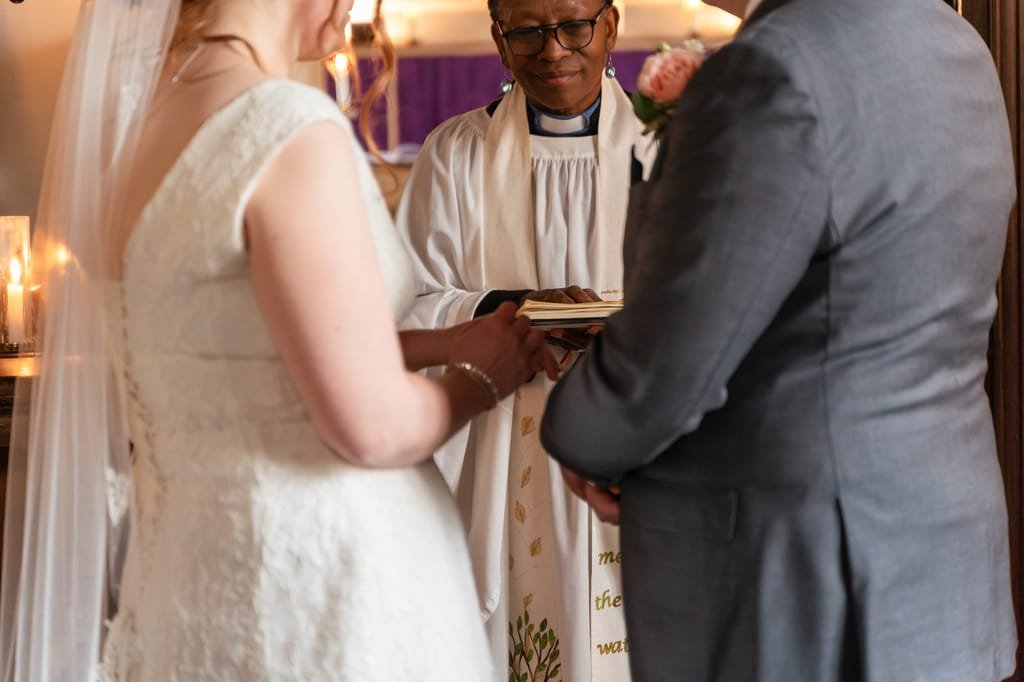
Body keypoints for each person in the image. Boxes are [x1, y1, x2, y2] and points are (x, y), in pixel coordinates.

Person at [0, 0, 554, 680]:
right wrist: (483, 378)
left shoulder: (133, 127)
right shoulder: (284, 127)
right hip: (324, 597)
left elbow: (242, 351)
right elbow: (372, 429)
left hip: (188, 585)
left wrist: (443, 344)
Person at [541, 0, 1018, 680]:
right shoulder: (949, 37)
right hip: (936, 566)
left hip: (804, 586)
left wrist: (581, 431)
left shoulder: (774, 69)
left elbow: (660, 377)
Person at [394, 1, 653, 680]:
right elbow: (409, 306)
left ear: (611, 27)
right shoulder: (455, 154)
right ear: (499, 40)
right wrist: (513, 310)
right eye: (528, 31)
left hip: (639, 438)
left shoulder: (666, 149)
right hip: (506, 441)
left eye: (573, 26)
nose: (554, 50)